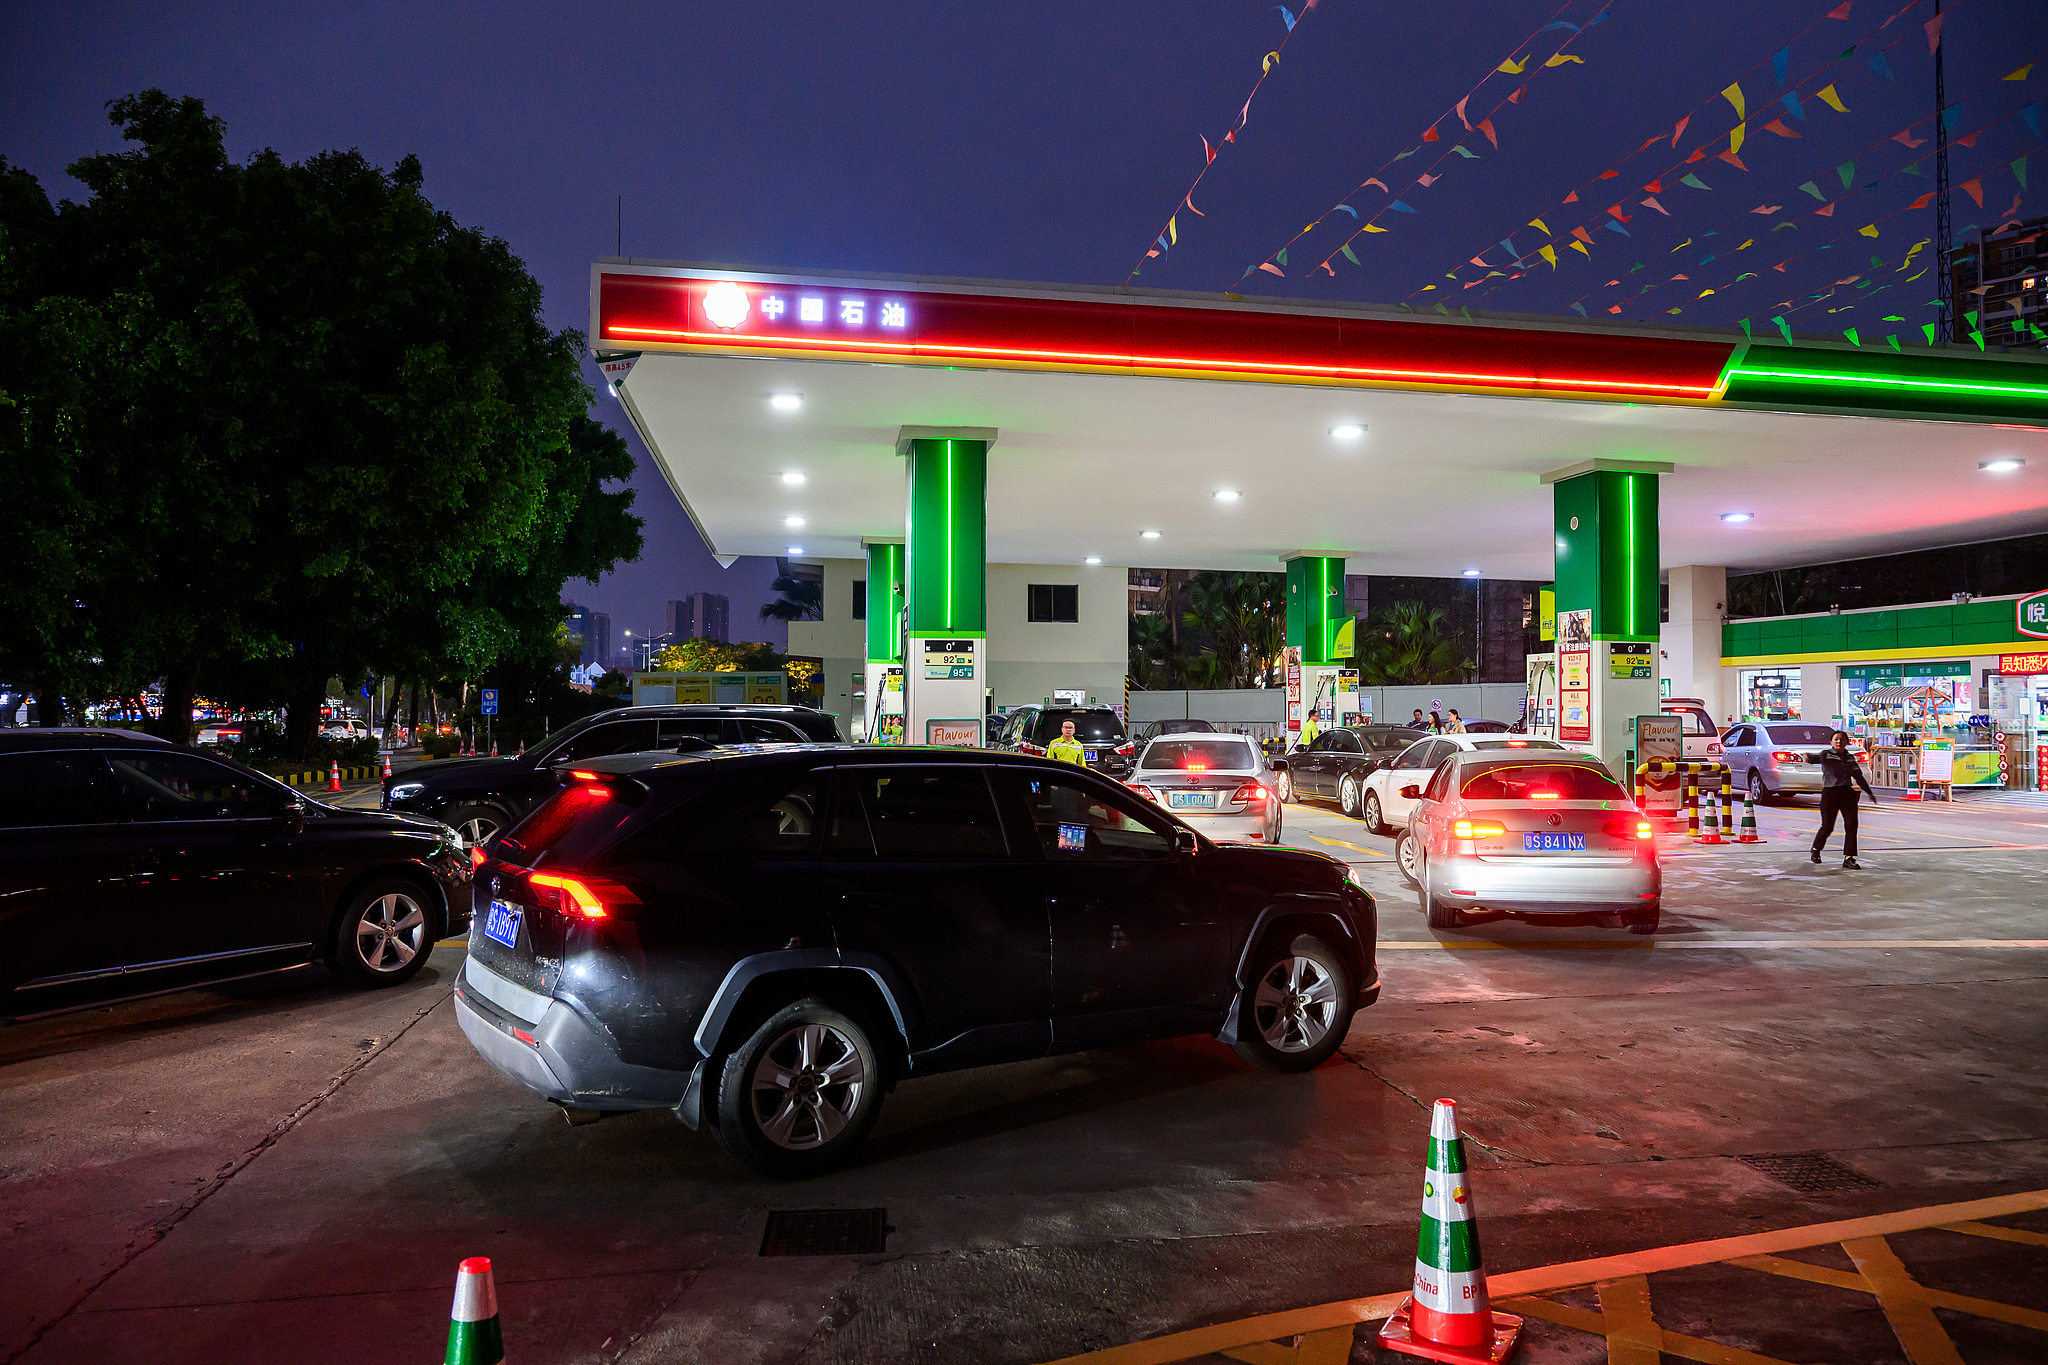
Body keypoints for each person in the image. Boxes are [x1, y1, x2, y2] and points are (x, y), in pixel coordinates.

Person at [1808, 729, 1878, 868]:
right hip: (1830, 794)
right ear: (1831, 742)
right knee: (1827, 826)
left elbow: (1858, 776)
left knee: (1851, 826)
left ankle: (1849, 857)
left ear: (1847, 742)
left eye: (1842, 739)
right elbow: (1816, 759)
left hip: (1847, 793)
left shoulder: (1850, 758)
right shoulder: (1826, 754)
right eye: (1836, 739)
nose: (1839, 741)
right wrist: (1809, 758)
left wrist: (1869, 792)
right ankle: (1816, 849)